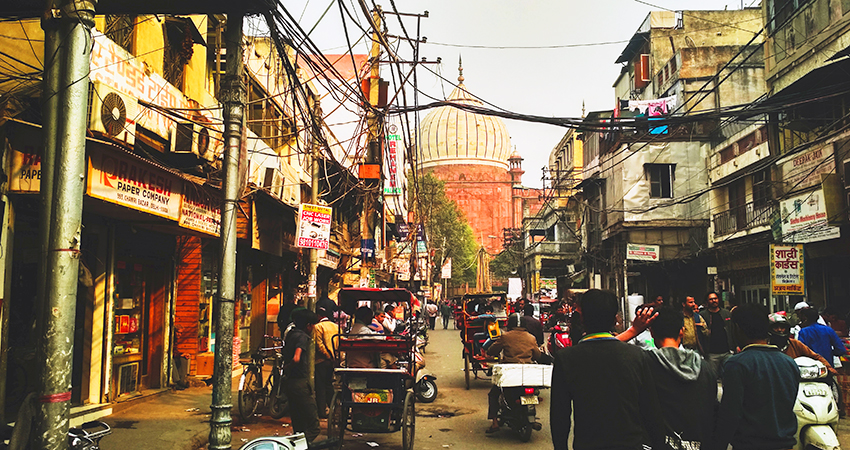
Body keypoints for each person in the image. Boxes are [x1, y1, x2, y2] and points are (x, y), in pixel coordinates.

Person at [550, 289, 664, 450]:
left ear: (582, 317)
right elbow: (652, 412)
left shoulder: (566, 358)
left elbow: (560, 416)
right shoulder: (637, 356)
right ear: (615, 319)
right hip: (630, 445)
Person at [712, 303, 799, 450]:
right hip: (785, 444)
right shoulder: (789, 363)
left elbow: (731, 415)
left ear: (737, 329)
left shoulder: (737, 364)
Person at [645, 307, 717, 449]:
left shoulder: (645, 364)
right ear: (682, 332)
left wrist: (634, 330)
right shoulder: (704, 368)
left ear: (652, 333)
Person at [485, 313, 541, 433]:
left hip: (509, 373)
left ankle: (494, 422)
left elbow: (493, 350)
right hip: (527, 374)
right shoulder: (531, 338)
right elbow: (537, 355)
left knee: (493, 394)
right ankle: (531, 416)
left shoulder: (505, 336)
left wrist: (490, 352)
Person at [282, 309, 321, 442]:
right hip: (300, 383)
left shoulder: (291, 334)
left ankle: (297, 442)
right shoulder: (302, 337)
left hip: (290, 383)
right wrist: (289, 366)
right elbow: (296, 358)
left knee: (298, 424)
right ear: (308, 325)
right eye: (313, 325)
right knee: (314, 426)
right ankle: (298, 445)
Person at [313, 306, 339, 419]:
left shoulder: (318, 327)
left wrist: (328, 357)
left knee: (320, 387)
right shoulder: (336, 326)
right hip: (333, 360)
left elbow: (319, 345)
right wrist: (334, 358)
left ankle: (322, 411)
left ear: (319, 316)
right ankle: (335, 408)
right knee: (329, 385)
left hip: (321, 361)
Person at [701, 292, 734, 377]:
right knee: (712, 377)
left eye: (715, 298)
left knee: (729, 376)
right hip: (711, 353)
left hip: (727, 351)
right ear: (707, 302)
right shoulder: (703, 315)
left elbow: (732, 330)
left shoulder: (726, 313)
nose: (713, 301)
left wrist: (735, 346)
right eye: (711, 299)